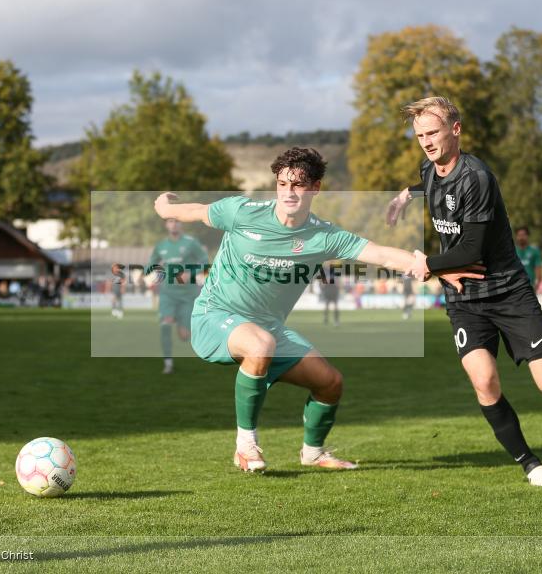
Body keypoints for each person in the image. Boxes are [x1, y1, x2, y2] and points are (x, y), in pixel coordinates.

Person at [154, 146, 483, 473]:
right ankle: (245, 446)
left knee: (329, 383)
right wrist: (165, 207)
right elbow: (195, 211)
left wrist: (435, 267)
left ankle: (312, 452)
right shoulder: (241, 212)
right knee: (259, 344)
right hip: (214, 316)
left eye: (298, 185)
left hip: (267, 328)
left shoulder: (323, 235)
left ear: (315, 188)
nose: (289, 192)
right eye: (283, 184)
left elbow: (381, 254)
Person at [387, 96, 542, 487]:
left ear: (456, 130)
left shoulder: (477, 178)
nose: (426, 142)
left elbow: (471, 250)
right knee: (484, 381)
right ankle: (531, 465)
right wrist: (406, 194)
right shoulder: (429, 168)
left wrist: (427, 264)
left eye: (433, 133)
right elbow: (430, 183)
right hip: (464, 298)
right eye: (420, 136)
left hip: (508, 291)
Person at [147, 218, 210, 374]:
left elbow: (205, 261)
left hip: (188, 295)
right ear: (166, 225)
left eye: (176, 221)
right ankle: (168, 363)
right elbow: (151, 264)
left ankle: (179, 320)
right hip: (168, 293)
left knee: (184, 336)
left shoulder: (191, 242)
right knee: (165, 325)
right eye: (170, 221)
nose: (174, 224)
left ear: (181, 223)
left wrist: (191, 273)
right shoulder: (161, 245)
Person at [514, 227, 542, 291]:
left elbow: (538, 269)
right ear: (516, 237)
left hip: (529, 286)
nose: (521, 237)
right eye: (519, 235)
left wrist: (536, 285)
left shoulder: (534, 251)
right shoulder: (512, 251)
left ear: (527, 236)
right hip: (515, 287)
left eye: (523, 235)